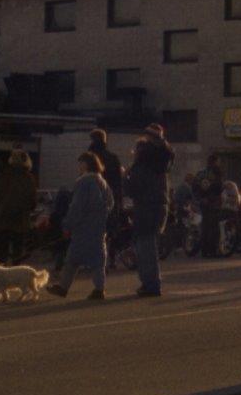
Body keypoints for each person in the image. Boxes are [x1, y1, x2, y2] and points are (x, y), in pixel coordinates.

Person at [47, 152, 114, 300]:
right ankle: (99, 288)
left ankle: (63, 287)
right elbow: (110, 202)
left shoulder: (84, 182)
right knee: (98, 260)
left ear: (86, 164)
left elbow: (76, 207)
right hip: (98, 227)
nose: (79, 166)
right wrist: (101, 216)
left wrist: (67, 225)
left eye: (80, 163)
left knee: (72, 258)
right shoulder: (102, 181)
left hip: (83, 227)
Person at [126, 123, 175, 297]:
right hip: (159, 205)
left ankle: (151, 284)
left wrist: (126, 177)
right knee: (149, 245)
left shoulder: (143, 166)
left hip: (146, 207)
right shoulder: (161, 165)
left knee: (145, 247)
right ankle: (150, 283)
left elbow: (133, 189)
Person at [0, 148, 37, 264]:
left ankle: (2, 273)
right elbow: (32, 199)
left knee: (3, 250)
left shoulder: (4, 175)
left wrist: (4, 205)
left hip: (4, 218)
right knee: (18, 251)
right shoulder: (28, 178)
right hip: (20, 219)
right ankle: (16, 274)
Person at [89, 129, 125, 267]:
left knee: (94, 231)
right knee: (109, 231)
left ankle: (95, 260)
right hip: (111, 199)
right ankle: (111, 258)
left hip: (94, 199)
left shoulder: (90, 158)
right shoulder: (113, 158)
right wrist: (119, 202)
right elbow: (119, 183)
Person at [197, 155, 224, 257]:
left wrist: (202, 198)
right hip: (213, 203)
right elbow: (219, 187)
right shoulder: (216, 172)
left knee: (205, 226)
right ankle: (212, 251)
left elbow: (196, 187)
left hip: (204, 203)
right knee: (213, 227)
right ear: (215, 161)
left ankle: (204, 251)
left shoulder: (202, 173)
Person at [50, 183, 73, 271]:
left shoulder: (56, 212)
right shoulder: (69, 210)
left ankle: (59, 264)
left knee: (60, 249)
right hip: (67, 233)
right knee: (67, 248)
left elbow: (53, 220)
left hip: (58, 234)